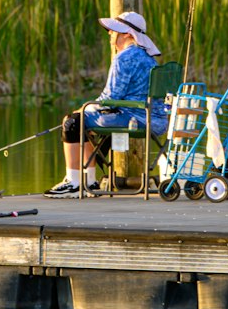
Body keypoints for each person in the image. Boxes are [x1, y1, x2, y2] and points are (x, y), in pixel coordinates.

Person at [45, 10, 165, 197]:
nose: (110, 34)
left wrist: (84, 108)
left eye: (113, 31)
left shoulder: (124, 58)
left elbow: (110, 98)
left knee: (72, 121)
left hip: (133, 117)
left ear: (126, 34)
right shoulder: (149, 58)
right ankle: (89, 181)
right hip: (155, 119)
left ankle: (74, 182)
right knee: (83, 119)